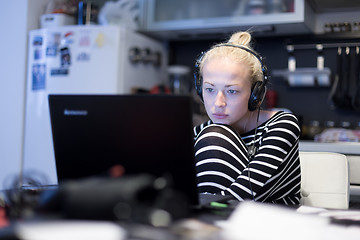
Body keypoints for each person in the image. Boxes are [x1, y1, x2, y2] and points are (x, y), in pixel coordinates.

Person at [193, 31, 301, 205]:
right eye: (210, 89)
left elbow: (239, 197)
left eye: (232, 91)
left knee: (213, 136)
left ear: (256, 95)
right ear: (200, 89)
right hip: (216, 226)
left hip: (275, 225)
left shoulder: (282, 125)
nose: (218, 103)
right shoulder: (199, 132)